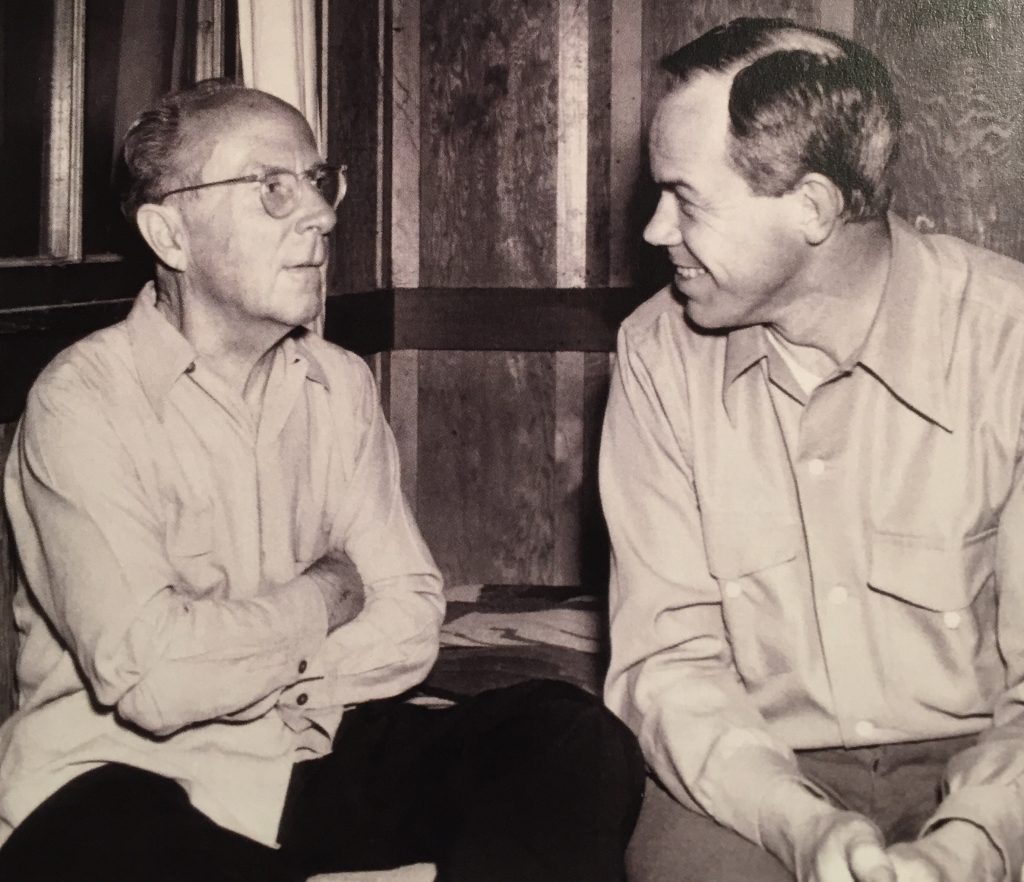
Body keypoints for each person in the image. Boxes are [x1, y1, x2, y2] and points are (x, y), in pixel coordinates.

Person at [0, 79, 644, 882]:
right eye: (272, 188)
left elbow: (409, 611)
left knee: (569, 738)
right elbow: (154, 684)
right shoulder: (80, 402)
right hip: (120, 783)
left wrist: (255, 663)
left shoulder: (337, 385)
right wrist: (328, 595)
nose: (322, 215)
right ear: (169, 233)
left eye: (316, 180)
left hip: (305, 745)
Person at [601, 16, 1024, 882]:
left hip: (993, 767)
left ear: (815, 207)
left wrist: (974, 842)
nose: (653, 231)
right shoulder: (654, 355)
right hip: (751, 776)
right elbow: (669, 668)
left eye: (685, 197)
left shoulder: (1008, 339)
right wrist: (800, 829)